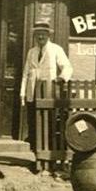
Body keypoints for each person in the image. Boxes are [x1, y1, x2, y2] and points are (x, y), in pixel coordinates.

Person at [20, 21, 73, 151]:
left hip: (48, 93)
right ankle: (35, 153)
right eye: (38, 35)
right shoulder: (31, 52)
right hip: (32, 93)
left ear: (48, 36)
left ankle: (47, 152)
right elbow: (26, 74)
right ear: (34, 36)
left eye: (43, 34)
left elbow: (67, 66)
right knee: (33, 124)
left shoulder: (56, 49)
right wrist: (23, 93)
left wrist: (61, 78)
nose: (40, 37)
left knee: (48, 124)